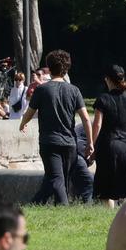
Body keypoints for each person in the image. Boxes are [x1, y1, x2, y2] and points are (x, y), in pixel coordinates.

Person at [19, 49, 92, 205]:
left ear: (49, 68)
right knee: (58, 179)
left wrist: (22, 123)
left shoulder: (42, 89)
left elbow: (29, 112)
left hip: (49, 142)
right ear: (66, 69)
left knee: (56, 178)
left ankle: (63, 209)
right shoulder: (74, 90)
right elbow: (86, 118)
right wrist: (90, 143)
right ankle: (34, 206)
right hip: (70, 143)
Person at [92, 65, 126, 203]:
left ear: (108, 80)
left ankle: (110, 219)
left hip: (109, 149)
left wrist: (92, 146)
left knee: (107, 191)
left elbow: (97, 125)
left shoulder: (103, 99)